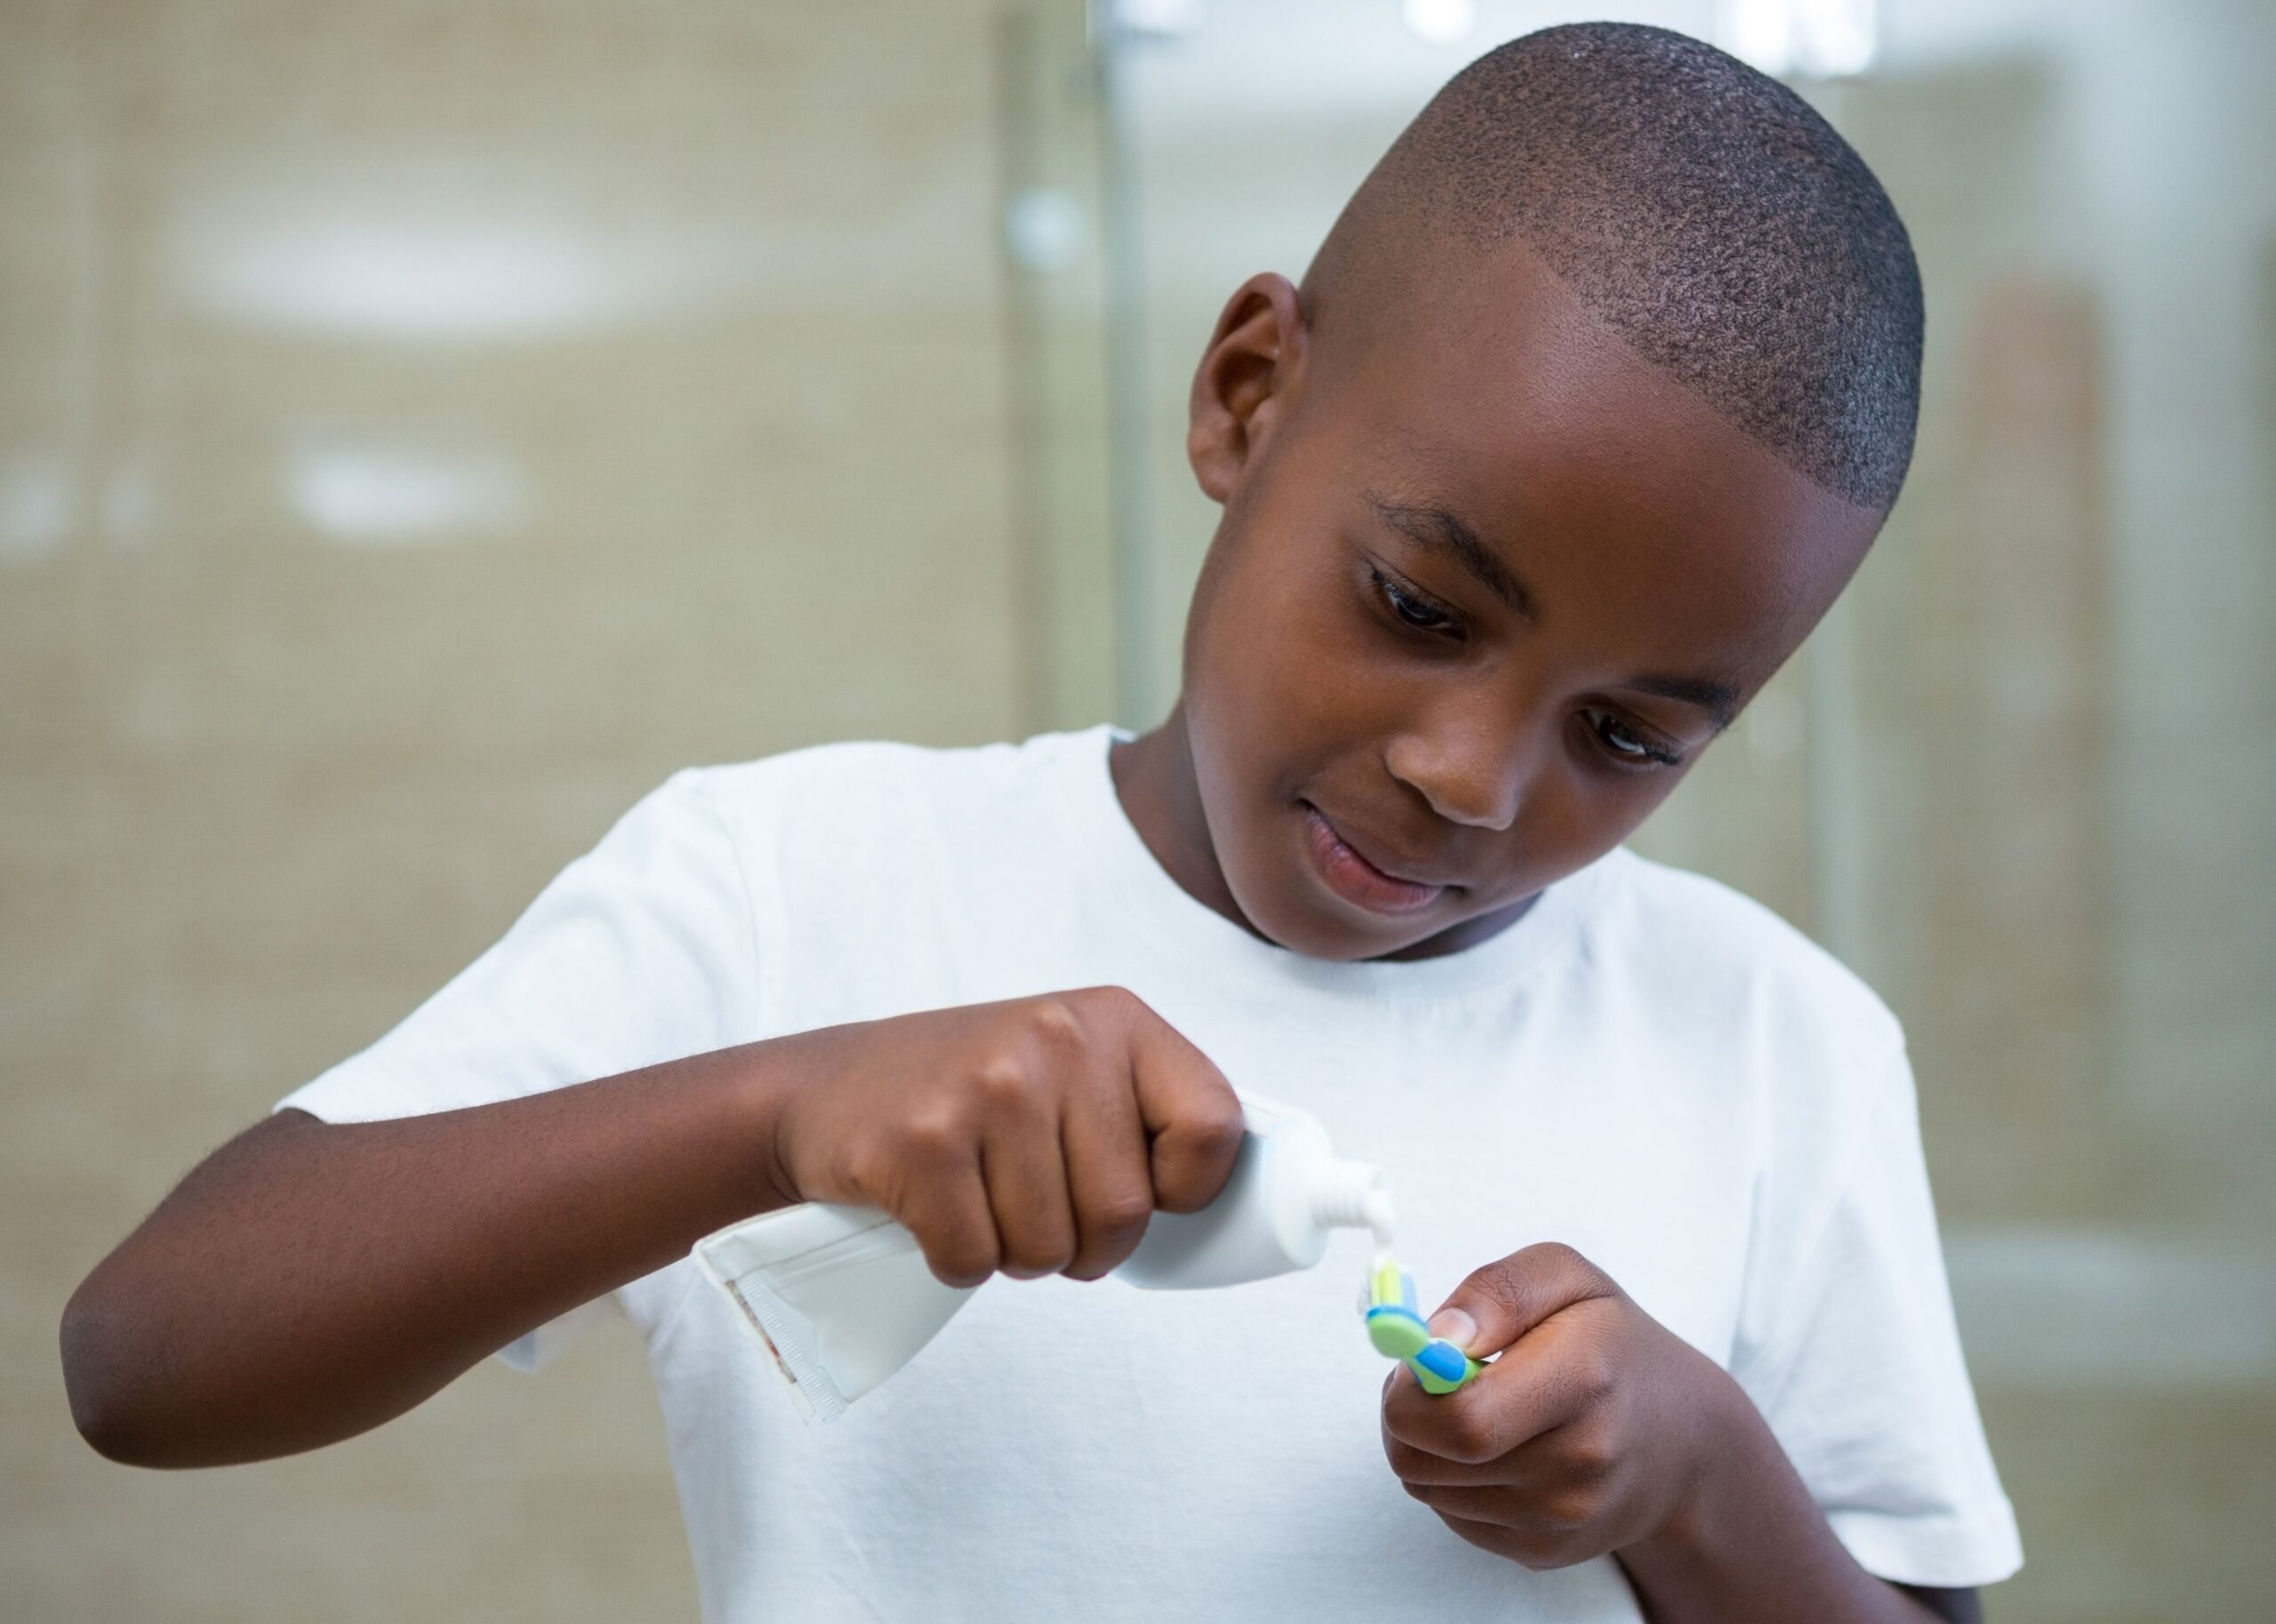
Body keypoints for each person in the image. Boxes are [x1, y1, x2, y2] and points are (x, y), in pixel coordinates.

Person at [60, 22, 2020, 1623]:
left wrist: (1690, 1478)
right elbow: (146, 1360)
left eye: (1627, 734)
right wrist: (777, 1109)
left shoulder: (1777, 1042)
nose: (1471, 780)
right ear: (1247, 397)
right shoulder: (788, 888)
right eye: (1419, 608)